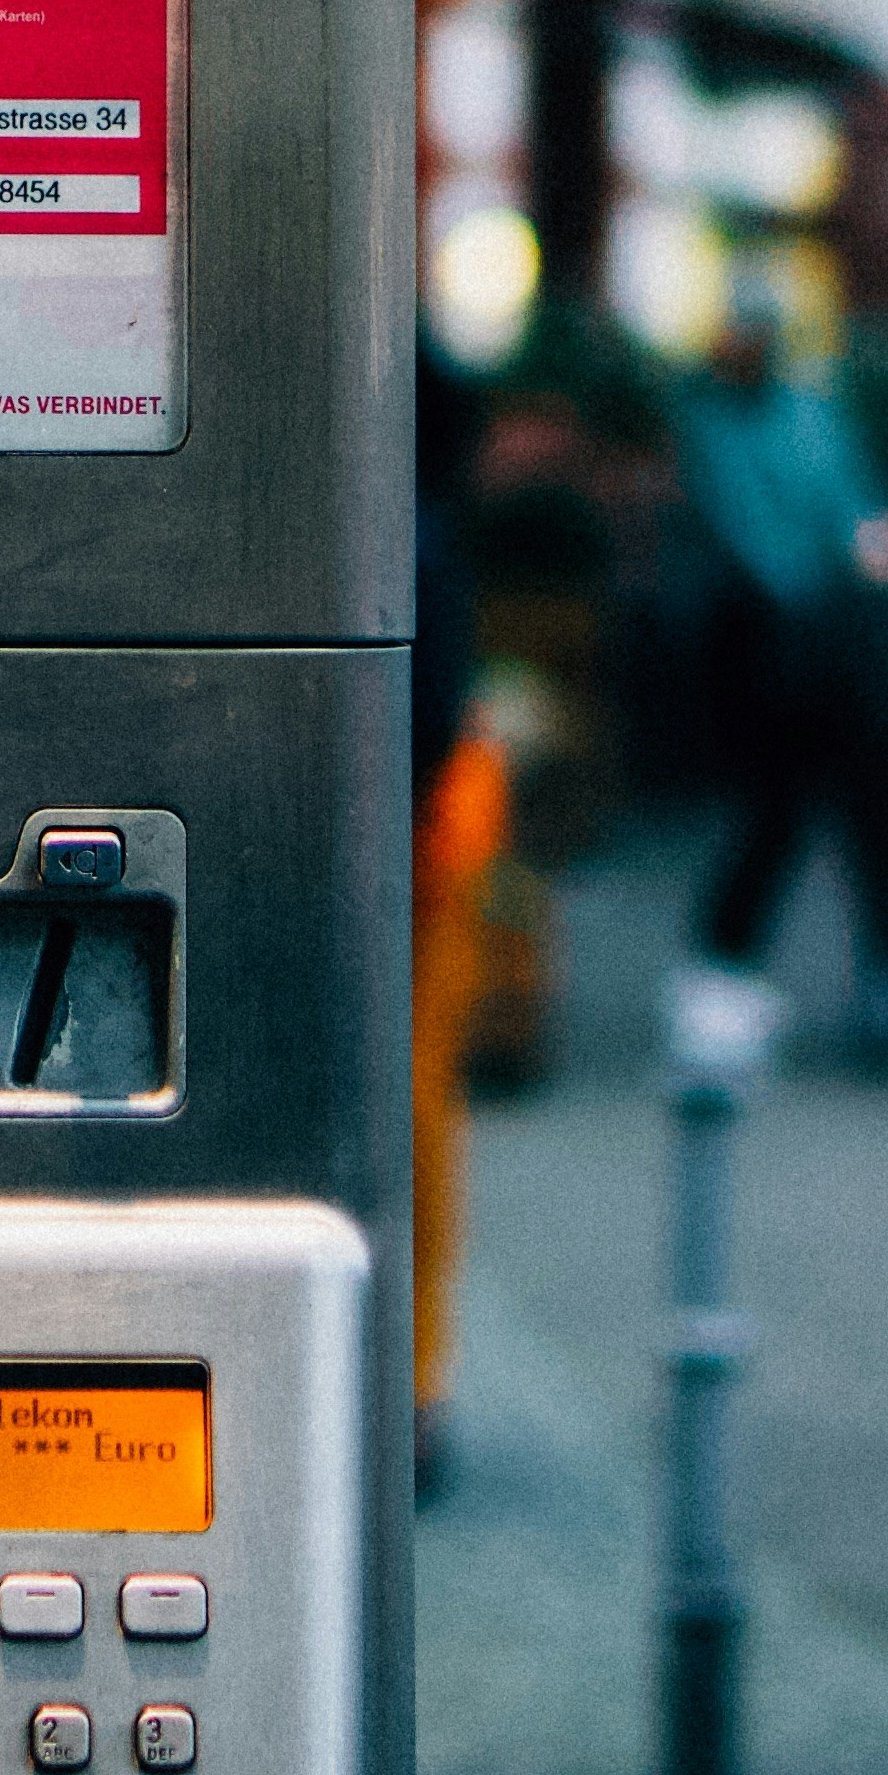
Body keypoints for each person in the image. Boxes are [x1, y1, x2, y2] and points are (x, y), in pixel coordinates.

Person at [668, 306, 888, 1055]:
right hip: (768, 654)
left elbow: (856, 496)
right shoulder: (709, 422)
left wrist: (874, 534)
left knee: (862, 805)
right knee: (781, 811)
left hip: (841, 653)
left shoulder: (809, 409)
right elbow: (750, 532)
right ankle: (721, 980)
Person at [408, 334, 496, 1501]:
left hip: (419, 839)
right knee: (424, 1109)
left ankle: (419, 1380)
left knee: (417, 1106)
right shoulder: (428, 522)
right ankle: (421, 1377)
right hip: (438, 829)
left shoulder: (398, 530)